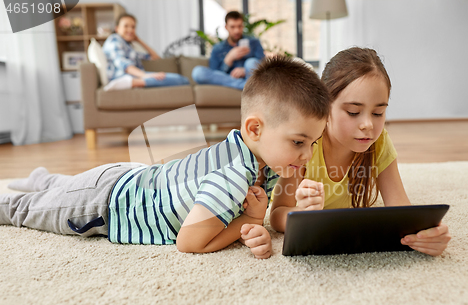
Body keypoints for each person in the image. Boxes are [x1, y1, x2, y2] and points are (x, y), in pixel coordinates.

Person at [0, 56, 330, 259]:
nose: (308, 154)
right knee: (24, 210)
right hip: (103, 204)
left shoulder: (260, 157)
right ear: (254, 129)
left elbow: (282, 199)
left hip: (127, 177)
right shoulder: (232, 178)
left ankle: (42, 179)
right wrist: (249, 221)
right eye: (299, 142)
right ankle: (31, 190)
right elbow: (189, 242)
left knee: (67, 186)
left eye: (313, 142)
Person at [270, 47, 451, 257]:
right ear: (325, 106)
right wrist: (300, 214)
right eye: (353, 112)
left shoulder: (380, 142)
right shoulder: (306, 144)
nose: (368, 125)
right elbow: (276, 214)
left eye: (378, 113)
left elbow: (400, 209)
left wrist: (428, 235)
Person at [102, 13, 190, 91]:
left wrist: (138, 40)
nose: (130, 30)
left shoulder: (129, 47)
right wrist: (145, 76)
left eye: (133, 27)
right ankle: (131, 83)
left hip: (136, 77)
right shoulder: (114, 40)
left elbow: (156, 58)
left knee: (182, 80)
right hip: (122, 76)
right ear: (117, 28)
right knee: (182, 80)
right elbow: (123, 63)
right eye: (126, 26)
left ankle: (134, 82)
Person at [191, 11, 265, 90]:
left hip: (249, 77)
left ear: (243, 26)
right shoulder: (217, 48)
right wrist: (229, 59)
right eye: (232, 27)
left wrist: (245, 70)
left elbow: (263, 65)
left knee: (251, 62)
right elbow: (215, 74)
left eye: (239, 26)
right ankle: (247, 87)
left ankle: (248, 85)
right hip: (228, 79)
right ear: (226, 27)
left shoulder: (254, 42)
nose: (236, 30)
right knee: (198, 72)